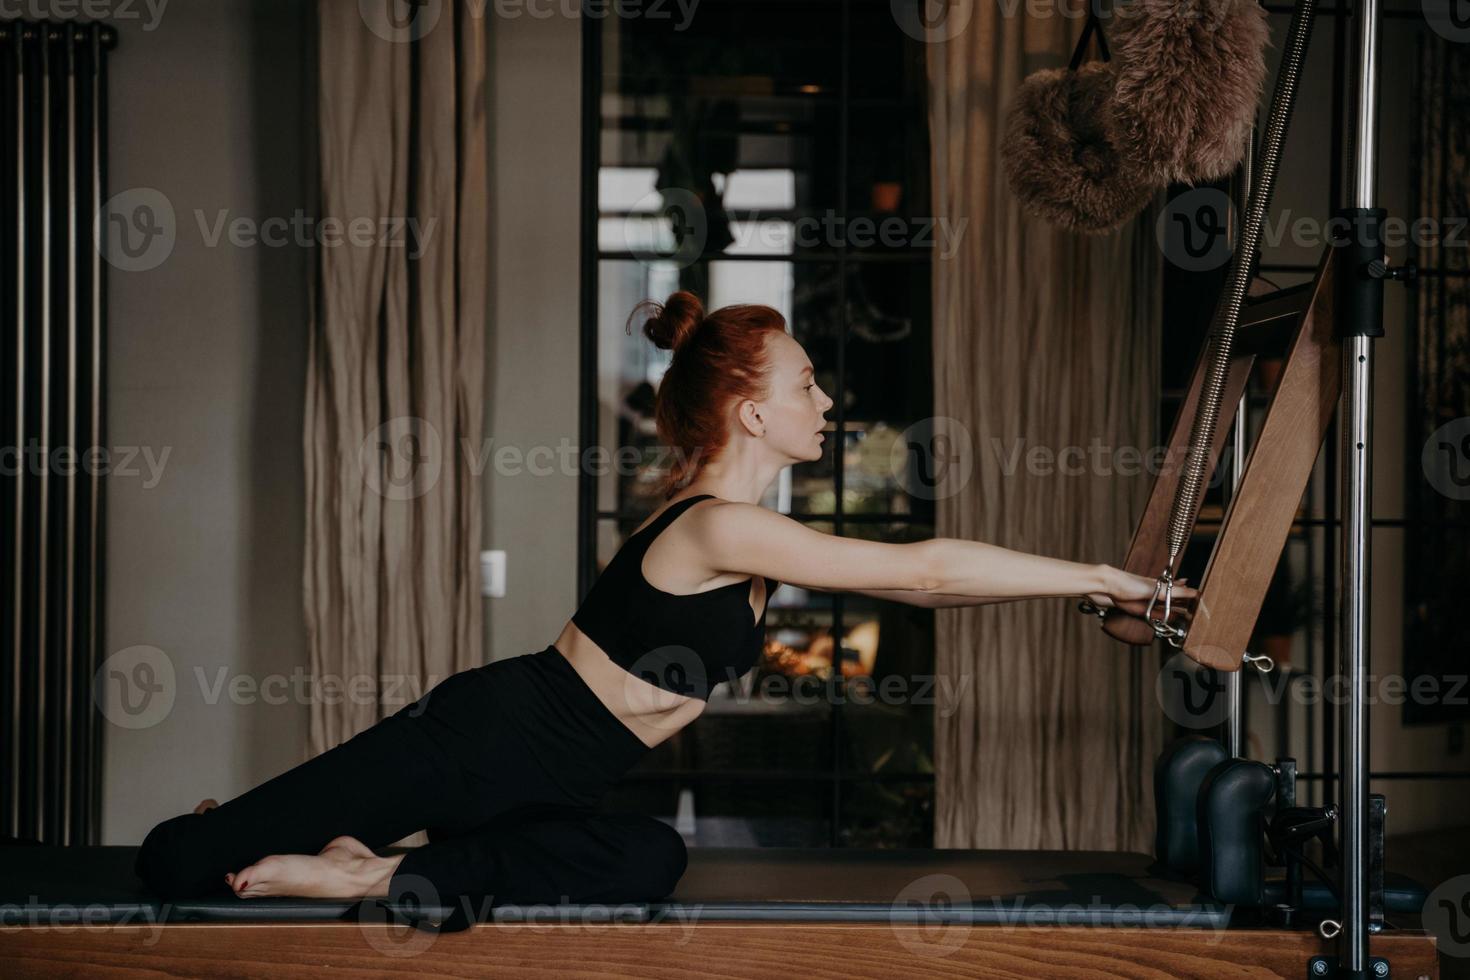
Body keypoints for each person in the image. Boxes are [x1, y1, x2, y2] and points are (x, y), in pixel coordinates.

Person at [134, 290, 1192, 931]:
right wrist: (1103, 573)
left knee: (644, 858)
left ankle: (379, 872)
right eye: (810, 385)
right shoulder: (716, 525)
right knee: (181, 865)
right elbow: (927, 572)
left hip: (545, 787)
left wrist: (1099, 579)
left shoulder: (740, 531)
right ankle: (280, 834)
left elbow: (928, 572)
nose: (827, 403)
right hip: (485, 739)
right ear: (753, 409)